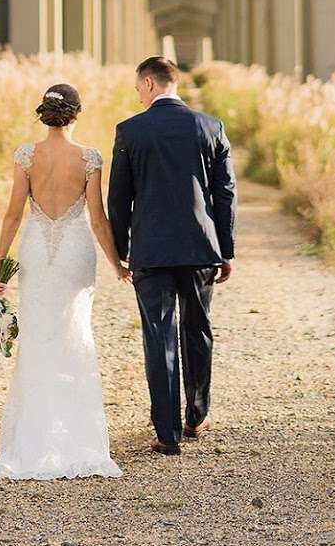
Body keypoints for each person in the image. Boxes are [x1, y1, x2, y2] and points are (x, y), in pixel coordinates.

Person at [0, 81, 128, 480]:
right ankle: (75, 436)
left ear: (44, 113)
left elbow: (13, 215)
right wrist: (117, 263)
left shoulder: (26, 156)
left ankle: (33, 438)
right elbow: (98, 219)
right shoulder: (89, 158)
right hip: (75, 250)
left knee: (37, 335)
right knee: (74, 333)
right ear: (76, 114)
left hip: (35, 247)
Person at [107, 55, 237, 456]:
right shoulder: (211, 127)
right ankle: (197, 415)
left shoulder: (130, 131)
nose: (137, 94)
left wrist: (121, 250)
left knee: (158, 335)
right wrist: (226, 249)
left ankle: (166, 432)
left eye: (136, 87)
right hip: (200, 248)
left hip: (151, 250)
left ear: (148, 84)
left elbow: (119, 198)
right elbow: (225, 193)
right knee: (197, 328)